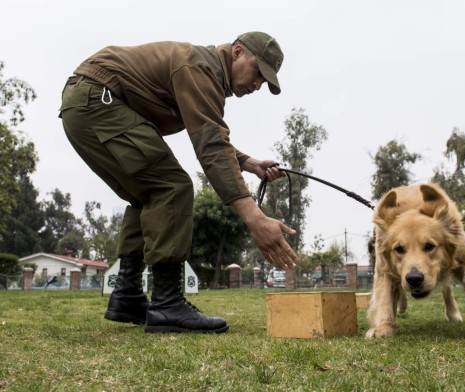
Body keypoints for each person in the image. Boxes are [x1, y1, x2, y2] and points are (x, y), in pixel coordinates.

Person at [59, 32, 298, 334]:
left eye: (264, 82)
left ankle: (128, 295)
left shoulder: (205, 73)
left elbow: (208, 134)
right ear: (237, 52)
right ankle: (167, 304)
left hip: (86, 102)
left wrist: (248, 163)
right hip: (99, 99)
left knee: (149, 192)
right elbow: (210, 145)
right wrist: (254, 217)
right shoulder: (201, 68)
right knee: (173, 187)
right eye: (258, 73)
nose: (257, 84)